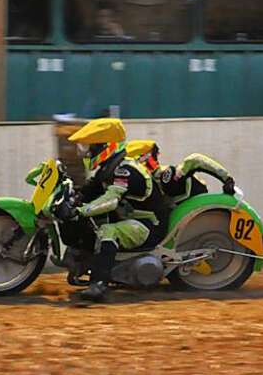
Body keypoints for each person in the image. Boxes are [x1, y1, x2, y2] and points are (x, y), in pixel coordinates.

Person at [66, 118, 170, 303]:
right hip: (132, 220)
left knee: (108, 231)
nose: (86, 153)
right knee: (92, 223)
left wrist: (80, 211)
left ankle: (99, 284)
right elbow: (90, 191)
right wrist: (72, 199)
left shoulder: (124, 170)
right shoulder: (108, 169)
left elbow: (111, 200)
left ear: (105, 146)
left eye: (90, 148)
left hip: (147, 225)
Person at [126, 140, 236, 203]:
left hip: (196, 205)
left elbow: (195, 159)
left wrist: (227, 179)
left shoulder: (167, 174)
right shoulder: (141, 184)